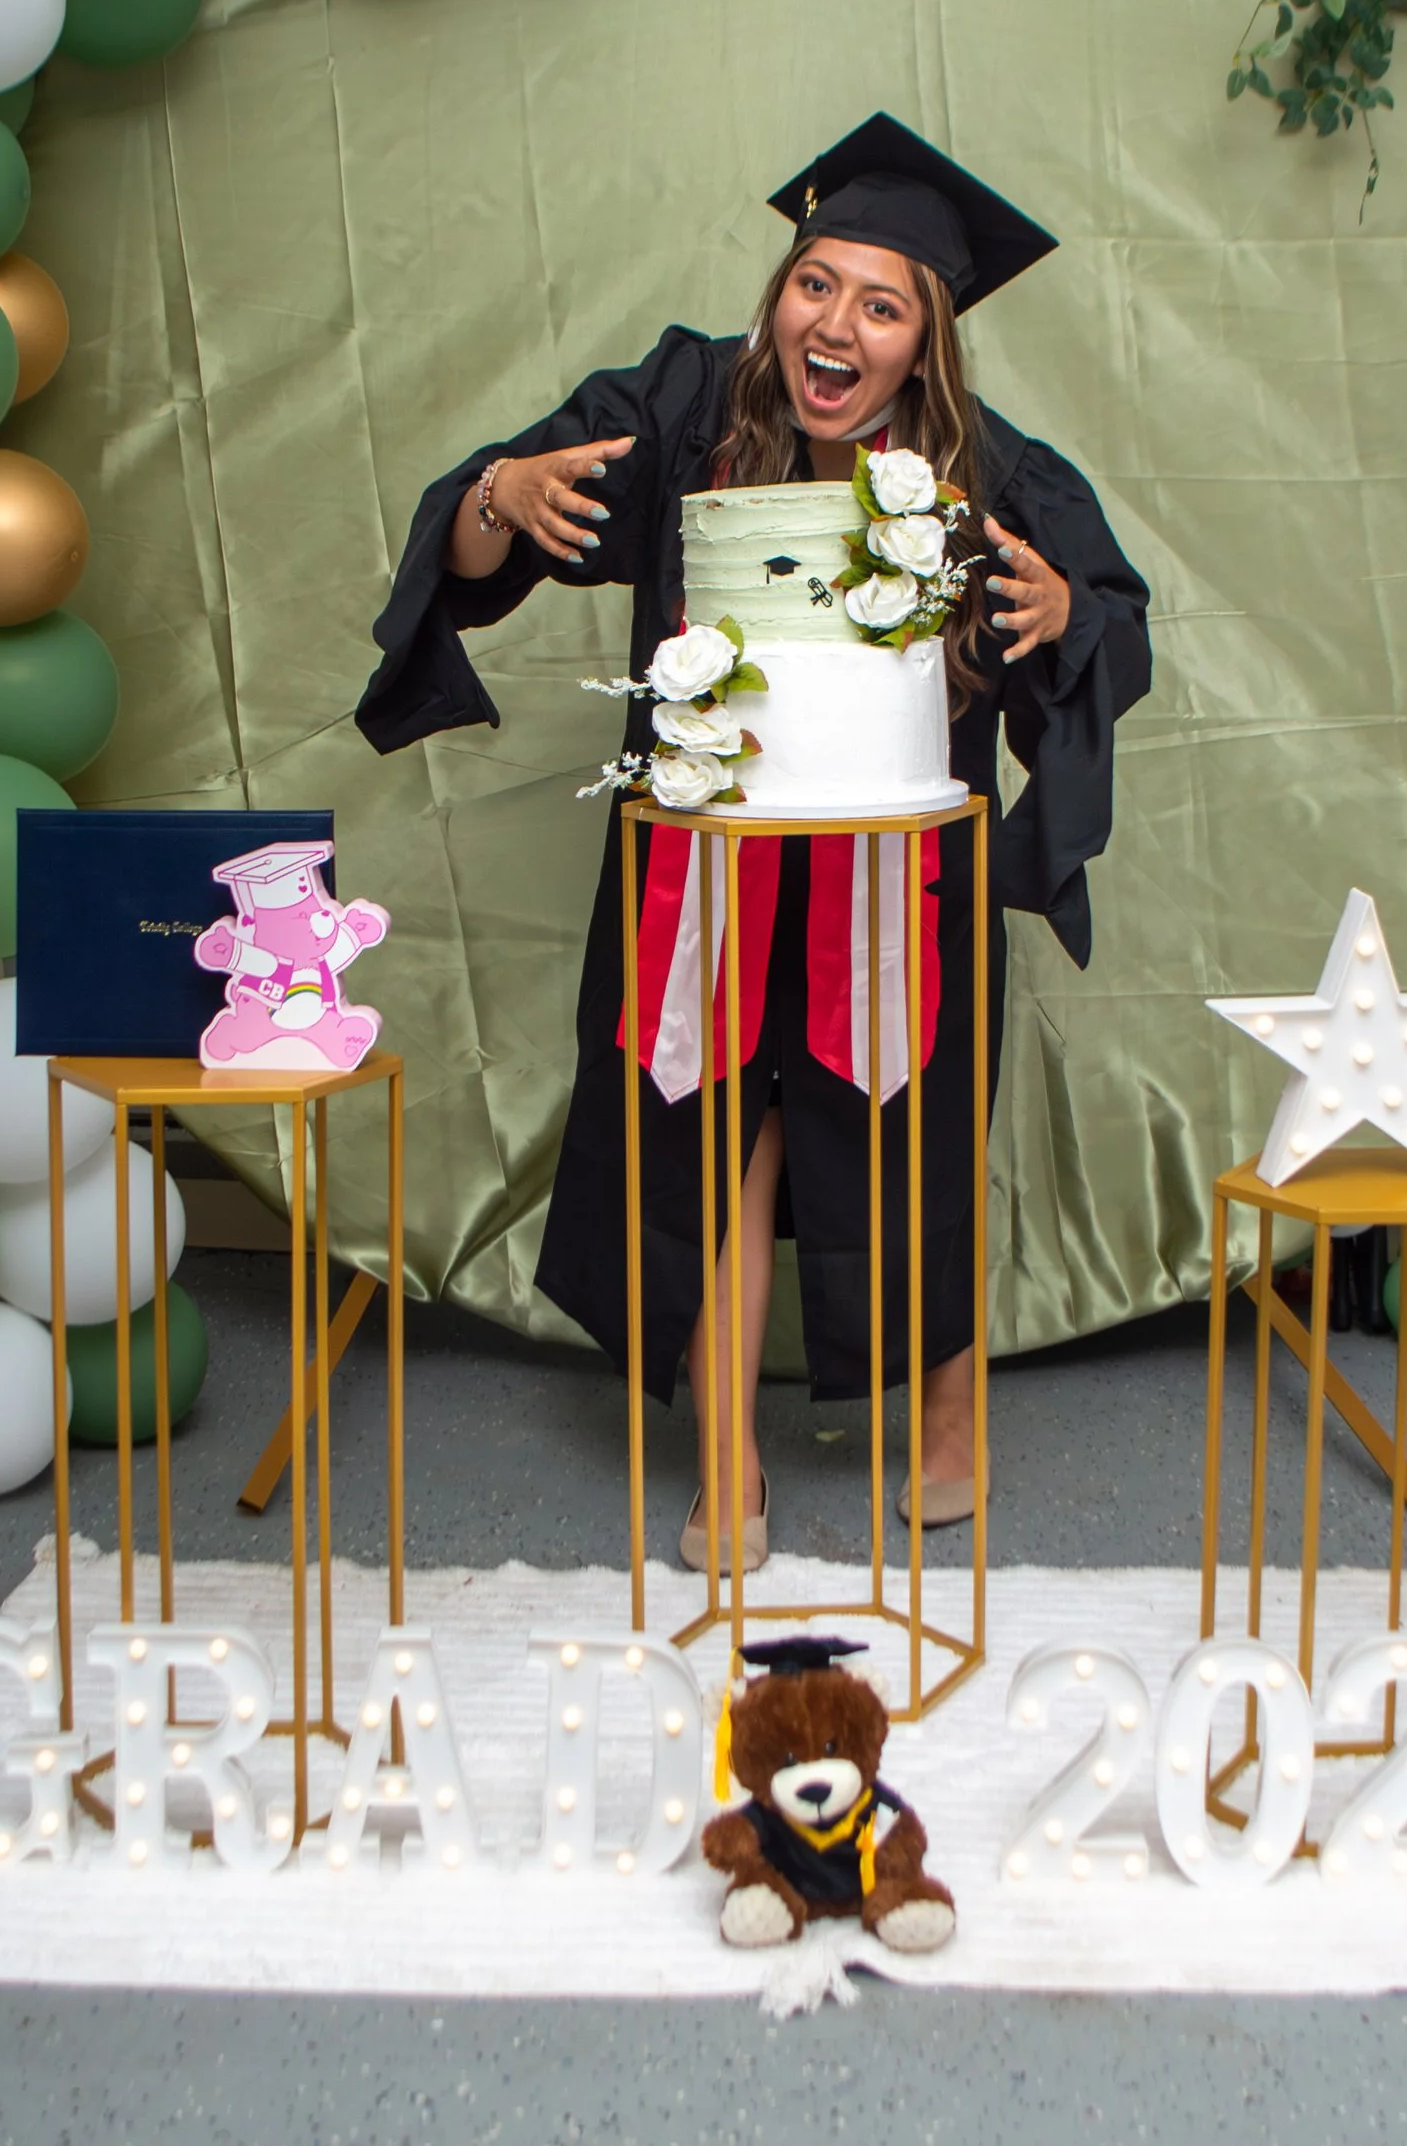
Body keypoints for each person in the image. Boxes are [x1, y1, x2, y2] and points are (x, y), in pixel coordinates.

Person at [358, 114, 1151, 1569]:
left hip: (897, 875)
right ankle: (728, 1460)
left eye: (882, 301)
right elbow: (490, 532)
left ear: (928, 342)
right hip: (701, 866)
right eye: (816, 283)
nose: (835, 322)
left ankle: (953, 1414)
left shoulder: (986, 472)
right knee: (724, 1133)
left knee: (914, 1138)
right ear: (780, 290)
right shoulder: (678, 410)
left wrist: (1061, 618)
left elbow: (1102, 615)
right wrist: (495, 498)